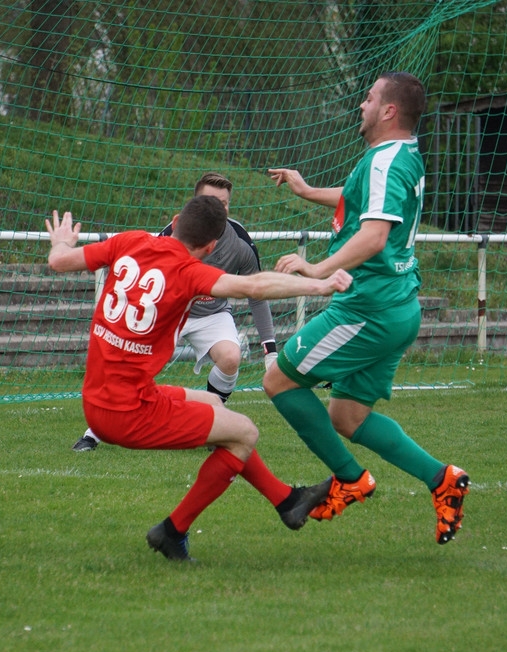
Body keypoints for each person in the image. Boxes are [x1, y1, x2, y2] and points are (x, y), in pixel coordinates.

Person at [46, 195, 352, 561]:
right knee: (245, 434)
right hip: (125, 412)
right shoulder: (190, 272)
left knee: (211, 404)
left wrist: (62, 241)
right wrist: (321, 285)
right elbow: (253, 287)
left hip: (102, 397)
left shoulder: (130, 240)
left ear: (175, 221)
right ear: (209, 247)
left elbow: (59, 261)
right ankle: (173, 531)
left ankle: (288, 501)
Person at [263, 71, 470, 545]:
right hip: (398, 306)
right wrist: (307, 190)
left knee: (279, 379)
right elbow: (362, 204)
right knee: (347, 417)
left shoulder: (385, 162)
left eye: (370, 97)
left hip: (366, 310)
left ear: (389, 110)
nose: (362, 104)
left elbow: (374, 234)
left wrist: (317, 270)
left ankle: (350, 479)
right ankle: (443, 479)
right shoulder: (400, 155)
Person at [71, 172, 278, 452]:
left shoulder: (240, 241)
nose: (219, 208)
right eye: (210, 200)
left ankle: (213, 423)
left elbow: (256, 292)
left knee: (231, 357)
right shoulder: (172, 235)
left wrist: (271, 349)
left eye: (225, 203)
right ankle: (92, 434)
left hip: (212, 314)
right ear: (194, 204)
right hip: (169, 310)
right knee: (134, 369)